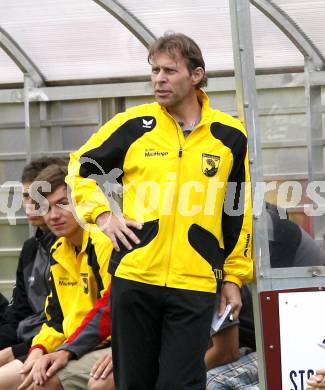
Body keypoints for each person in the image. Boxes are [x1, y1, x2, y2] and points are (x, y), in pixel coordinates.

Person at [67, 32, 253, 389]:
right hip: (135, 277)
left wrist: (233, 277)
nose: (159, 79)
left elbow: (238, 212)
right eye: (154, 71)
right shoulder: (133, 125)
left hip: (196, 282)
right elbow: (80, 168)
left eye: (169, 71)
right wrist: (103, 216)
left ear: (196, 75)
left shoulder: (230, 136)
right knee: (134, 382)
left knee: (180, 384)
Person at [0, 164, 112, 390]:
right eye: (46, 207)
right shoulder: (59, 249)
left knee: (43, 382)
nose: (54, 215)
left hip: (106, 343)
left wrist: (65, 351)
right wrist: (38, 350)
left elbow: (113, 307)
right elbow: (55, 319)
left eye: (62, 204)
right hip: (72, 344)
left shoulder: (103, 242)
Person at [0, 157, 65, 372]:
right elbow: (18, 312)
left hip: (52, 343)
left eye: (38, 196)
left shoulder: (71, 247)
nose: (30, 204)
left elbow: (62, 319)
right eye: (26, 196)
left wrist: (16, 351)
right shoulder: (30, 248)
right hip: (28, 339)